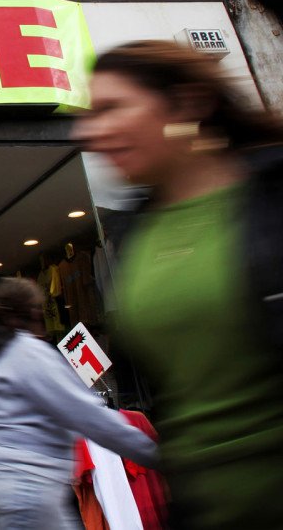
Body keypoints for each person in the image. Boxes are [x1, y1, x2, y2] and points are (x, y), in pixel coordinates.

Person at [73, 40, 283, 529]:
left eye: (112, 108)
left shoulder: (271, 200)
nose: (89, 131)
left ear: (187, 104)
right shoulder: (137, 232)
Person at [0, 277, 157, 530]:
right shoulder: (30, 353)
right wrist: (155, 453)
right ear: (33, 311)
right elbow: (87, 414)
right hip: (30, 482)